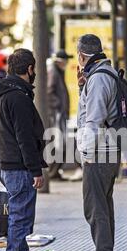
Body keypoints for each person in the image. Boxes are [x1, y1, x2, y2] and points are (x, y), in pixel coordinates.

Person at [0, 48, 51, 251]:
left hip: (10, 164)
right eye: (33, 68)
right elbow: (24, 138)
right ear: (29, 69)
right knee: (20, 217)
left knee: (18, 215)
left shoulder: (6, 93)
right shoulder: (18, 97)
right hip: (19, 167)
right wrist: (35, 169)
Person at [74, 34, 120, 251]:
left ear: (82, 55)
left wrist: (87, 154)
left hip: (100, 152)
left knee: (95, 208)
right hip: (106, 150)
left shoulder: (100, 77)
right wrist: (83, 87)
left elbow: (94, 118)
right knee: (102, 206)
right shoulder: (100, 74)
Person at [47, 49, 73, 179]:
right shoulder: (53, 71)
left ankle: (54, 171)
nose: (67, 63)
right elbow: (49, 91)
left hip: (57, 113)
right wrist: (58, 106)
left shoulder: (56, 71)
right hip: (56, 114)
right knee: (58, 142)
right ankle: (52, 172)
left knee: (59, 142)